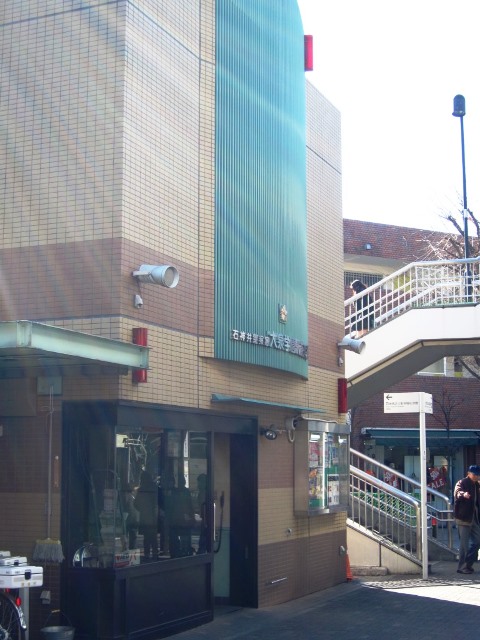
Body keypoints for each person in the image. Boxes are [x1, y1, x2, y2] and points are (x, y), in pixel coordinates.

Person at [453, 464, 480, 574]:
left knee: (478, 541)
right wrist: (463, 494)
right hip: (463, 518)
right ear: (468, 473)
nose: (476, 476)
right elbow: (457, 492)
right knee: (464, 545)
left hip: (474, 518)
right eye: (474, 474)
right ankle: (462, 567)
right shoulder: (462, 482)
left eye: (478, 475)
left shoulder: (477, 485)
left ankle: (468, 564)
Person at [134, 470, 159, 561]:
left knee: (146, 538)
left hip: (144, 516)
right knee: (153, 537)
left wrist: (142, 509)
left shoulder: (141, 490)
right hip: (153, 516)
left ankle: (147, 554)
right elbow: (157, 502)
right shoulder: (154, 488)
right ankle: (155, 553)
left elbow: (136, 504)